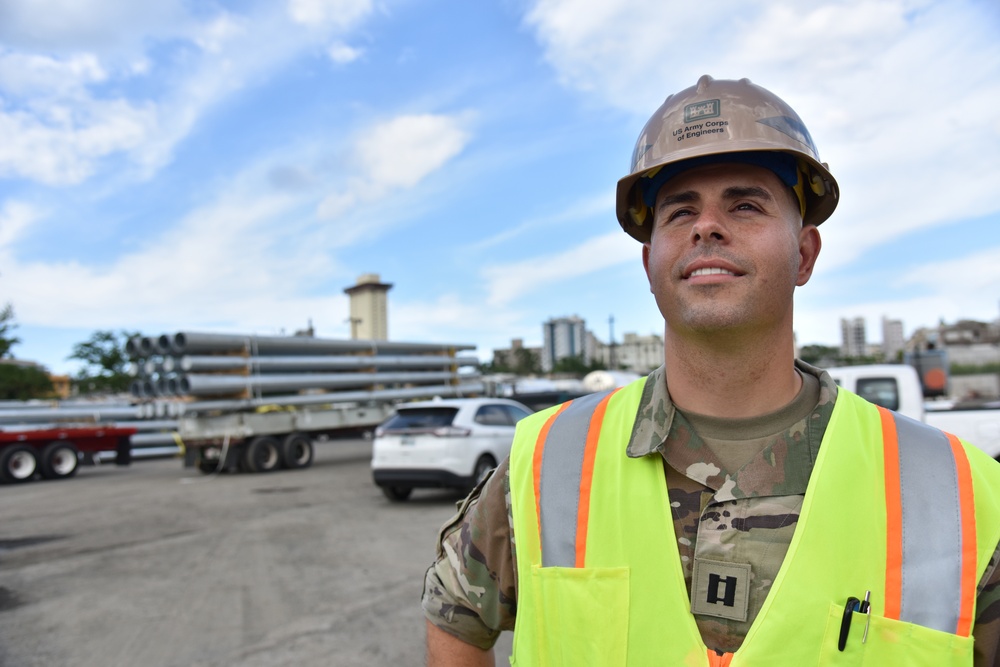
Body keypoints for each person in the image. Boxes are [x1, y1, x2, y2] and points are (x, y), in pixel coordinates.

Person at [422, 75, 1000, 665]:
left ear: (804, 254)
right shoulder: (547, 462)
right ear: (650, 263)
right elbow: (456, 619)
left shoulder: (956, 492)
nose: (706, 227)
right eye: (679, 211)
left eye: (744, 205)